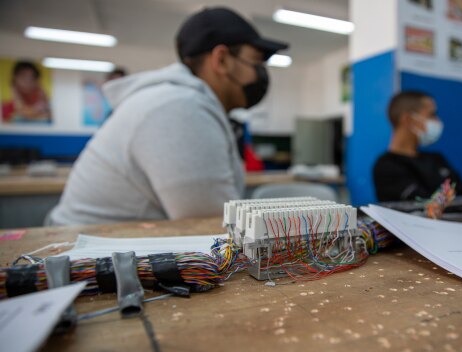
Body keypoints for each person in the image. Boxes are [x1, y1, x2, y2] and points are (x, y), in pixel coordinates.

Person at [47, 7, 288, 225]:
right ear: (221, 60)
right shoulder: (181, 108)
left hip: (111, 249)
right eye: (256, 62)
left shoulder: (180, 101)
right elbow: (214, 225)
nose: (259, 74)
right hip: (87, 262)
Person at [373, 91, 462, 202]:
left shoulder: (436, 159)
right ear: (407, 119)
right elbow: (423, 204)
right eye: (431, 114)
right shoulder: (386, 166)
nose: (437, 121)